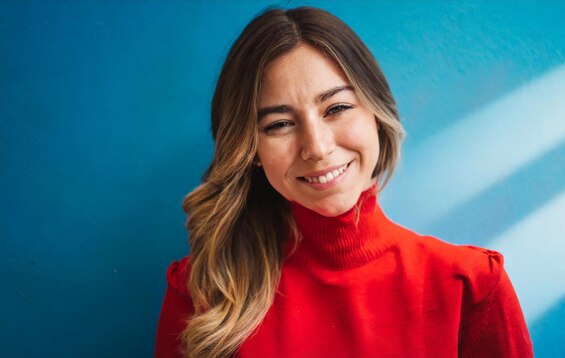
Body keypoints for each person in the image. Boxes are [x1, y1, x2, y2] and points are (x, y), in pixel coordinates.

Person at [155, 6, 533, 358]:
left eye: (337, 108)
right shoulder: (201, 295)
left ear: (377, 113)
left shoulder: (471, 288)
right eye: (279, 125)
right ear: (250, 149)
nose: (317, 147)